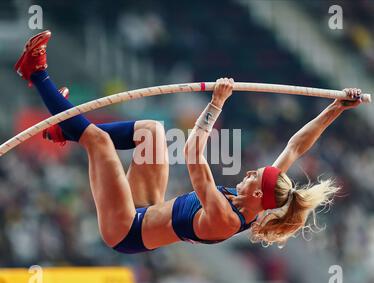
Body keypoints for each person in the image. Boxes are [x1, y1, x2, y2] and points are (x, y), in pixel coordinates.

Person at [15, 31, 363, 253]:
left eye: (254, 177)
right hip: (146, 207)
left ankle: (35, 73)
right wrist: (335, 109)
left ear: (259, 194)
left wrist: (216, 102)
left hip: (124, 230)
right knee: (150, 132)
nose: (248, 174)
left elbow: (193, 153)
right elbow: (296, 147)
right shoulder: (262, 194)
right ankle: (64, 128)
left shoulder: (225, 217)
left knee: (99, 141)